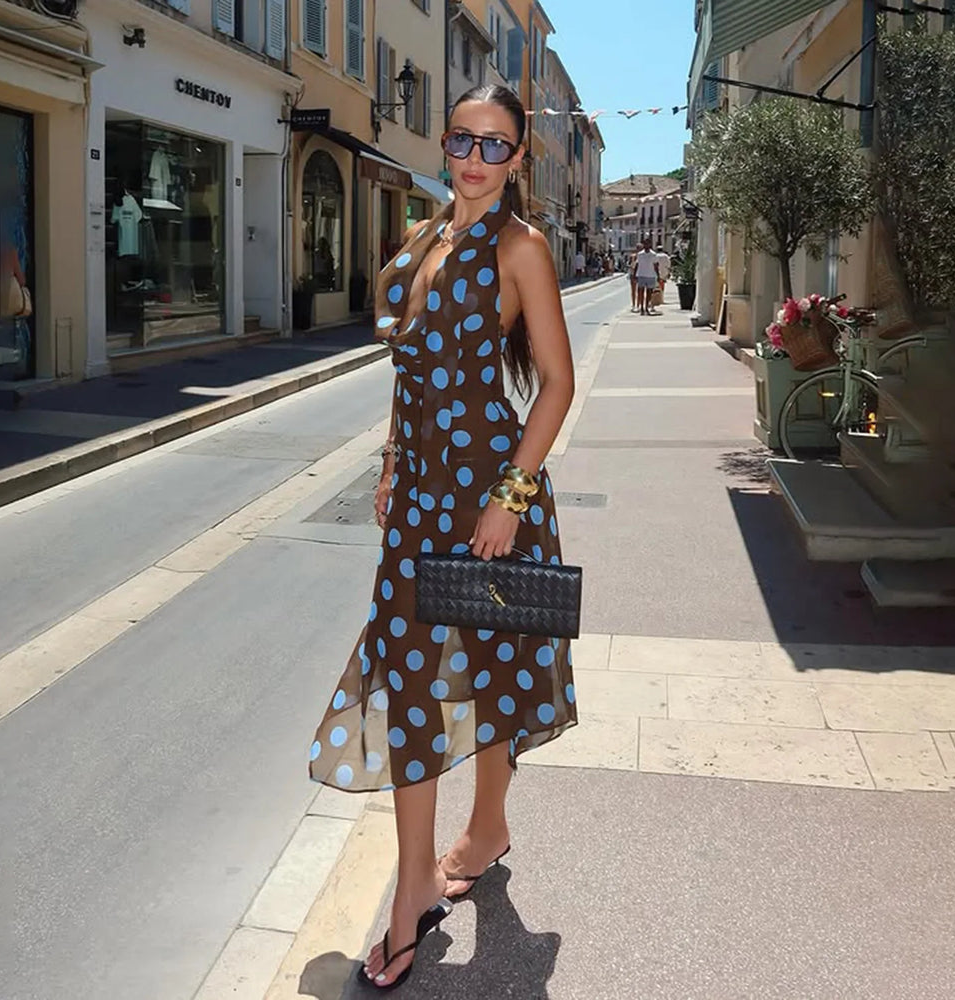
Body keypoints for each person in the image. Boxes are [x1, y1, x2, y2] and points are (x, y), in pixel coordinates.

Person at [309, 83, 578, 992]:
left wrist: (510, 495)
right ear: (444, 142)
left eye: (495, 144)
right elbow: (411, 377)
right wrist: (391, 463)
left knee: (494, 669)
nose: (474, 157)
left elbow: (555, 385)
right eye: (462, 138)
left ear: (519, 159)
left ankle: (484, 829)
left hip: (491, 497)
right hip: (421, 498)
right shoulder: (425, 240)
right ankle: (415, 883)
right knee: (415, 680)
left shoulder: (521, 248)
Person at [634, 239, 660, 315]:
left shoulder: (654, 254)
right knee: (640, 292)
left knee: (649, 293)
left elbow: (656, 266)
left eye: (648, 244)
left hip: (650, 275)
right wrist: (635, 275)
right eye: (645, 244)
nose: (646, 246)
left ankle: (646, 307)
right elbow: (637, 264)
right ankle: (641, 307)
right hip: (641, 274)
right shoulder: (639, 254)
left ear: (650, 245)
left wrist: (658, 275)